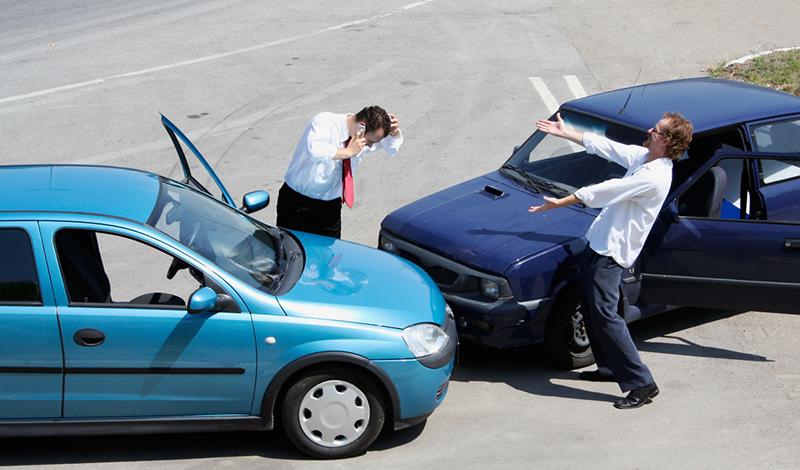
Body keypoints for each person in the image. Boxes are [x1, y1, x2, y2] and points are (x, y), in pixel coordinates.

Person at [529, 111, 693, 409]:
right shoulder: (645, 158)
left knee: (606, 316)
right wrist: (566, 133)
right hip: (600, 244)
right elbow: (607, 147)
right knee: (594, 309)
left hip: (611, 254)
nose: (649, 129)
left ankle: (642, 383)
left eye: (655, 129)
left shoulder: (654, 176)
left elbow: (608, 190)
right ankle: (608, 368)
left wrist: (564, 201)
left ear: (666, 140)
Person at [276, 106, 403, 239]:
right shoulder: (324, 122)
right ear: (361, 127)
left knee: (330, 254)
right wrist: (347, 152)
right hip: (298, 203)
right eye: (370, 142)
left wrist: (394, 133)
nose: (369, 146)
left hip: (330, 207)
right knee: (289, 252)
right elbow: (314, 150)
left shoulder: (360, 139)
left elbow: (392, 149)